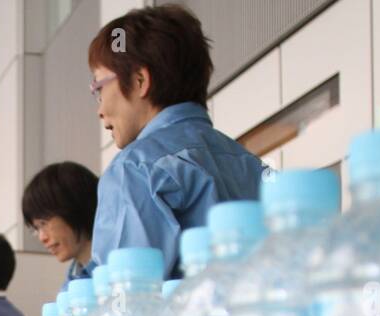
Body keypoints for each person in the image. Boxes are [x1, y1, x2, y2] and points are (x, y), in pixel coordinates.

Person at [87, 4, 266, 277]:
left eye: (99, 88)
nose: (99, 109)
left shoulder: (135, 170)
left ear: (139, 81)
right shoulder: (251, 165)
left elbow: (127, 304)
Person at [21, 161, 99, 284]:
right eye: (36, 229)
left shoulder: (119, 272)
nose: (42, 238)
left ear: (74, 207)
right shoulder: (73, 279)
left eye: (43, 223)